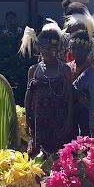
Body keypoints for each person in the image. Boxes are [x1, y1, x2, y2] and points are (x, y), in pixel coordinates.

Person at [20, 20, 73, 155]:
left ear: (57, 49)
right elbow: (29, 96)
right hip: (39, 122)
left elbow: (69, 96)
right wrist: (27, 120)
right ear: (39, 48)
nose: (47, 51)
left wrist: (69, 120)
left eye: (51, 48)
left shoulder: (64, 69)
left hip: (59, 120)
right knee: (39, 157)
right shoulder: (34, 70)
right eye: (44, 48)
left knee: (60, 156)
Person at [67, 30, 93, 137]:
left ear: (88, 51)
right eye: (74, 48)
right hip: (70, 108)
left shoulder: (91, 68)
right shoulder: (67, 67)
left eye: (81, 48)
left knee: (86, 134)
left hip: (86, 110)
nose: (76, 51)